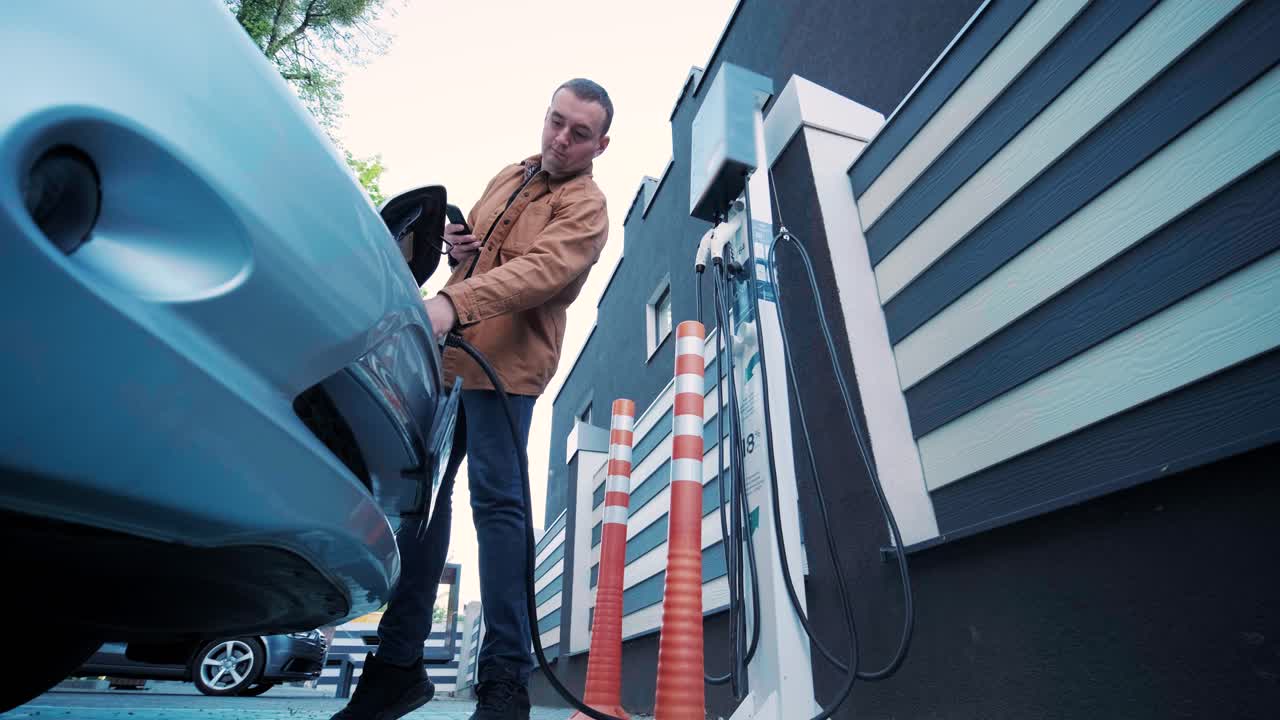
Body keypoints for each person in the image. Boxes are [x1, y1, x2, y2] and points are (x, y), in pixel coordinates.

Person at [331, 78, 613, 720]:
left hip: (507, 371)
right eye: (556, 121)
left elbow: (543, 271)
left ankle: (505, 682)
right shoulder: (508, 173)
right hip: (448, 363)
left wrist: (453, 300)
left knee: (500, 511)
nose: (561, 139)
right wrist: (462, 254)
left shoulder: (588, 205)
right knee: (418, 509)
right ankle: (397, 665)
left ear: (601, 144)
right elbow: (481, 260)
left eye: (579, 133)